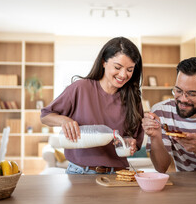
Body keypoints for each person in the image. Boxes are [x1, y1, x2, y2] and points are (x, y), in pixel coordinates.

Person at [40, 37, 144, 174]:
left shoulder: (133, 99)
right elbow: (45, 116)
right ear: (103, 62)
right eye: (117, 67)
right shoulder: (81, 88)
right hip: (80, 173)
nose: (123, 75)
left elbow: (135, 140)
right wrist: (64, 120)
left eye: (130, 69)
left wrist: (130, 144)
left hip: (118, 174)